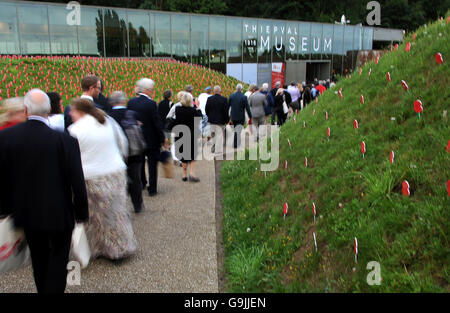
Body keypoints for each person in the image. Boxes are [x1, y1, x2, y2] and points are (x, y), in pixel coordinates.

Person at [0, 89, 88, 293]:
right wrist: (81, 213)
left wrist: (5, 210)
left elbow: (2, 180)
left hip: (26, 211)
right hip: (60, 212)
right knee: (59, 258)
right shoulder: (65, 141)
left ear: (25, 109)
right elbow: (77, 181)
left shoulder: (5, 138)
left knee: (38, 258)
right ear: (49, 110)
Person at [68, 98, 137, 260]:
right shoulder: (107, 121)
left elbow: (72, 158)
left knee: (94, 216)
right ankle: (120, 246)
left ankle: (98, 248)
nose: (70, 113)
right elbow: (122, 142)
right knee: (116, 212)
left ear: (80, 111)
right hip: (115, 172)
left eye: (72, 110)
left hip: (91, 177)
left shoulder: (75, 129)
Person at [128, 78, 166, 196]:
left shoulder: (131, 102)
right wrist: (162, 138)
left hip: (137, 138)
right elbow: (156, 123)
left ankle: (142, 183)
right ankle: (152, 188)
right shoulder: (151, 104)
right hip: (151, 139)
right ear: (148, 90)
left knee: (139, 163)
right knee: (152, 164)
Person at [108, 91, 144, 214]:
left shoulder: (108, 116)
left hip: (116, 153)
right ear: (124, 101)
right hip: (134, 152)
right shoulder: (133, 114)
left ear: (111, 103)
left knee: (118, 180)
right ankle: (137, 204)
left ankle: (121, 207)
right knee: (136, 178)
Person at [173, 92, 203, 182]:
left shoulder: (177, 109)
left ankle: (184, 175)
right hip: (191, 135)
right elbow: (200, 118)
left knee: (183, 156)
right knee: (193, 155)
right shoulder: (193, 110)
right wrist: (197, 106)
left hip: (180, 134)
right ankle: (192, 173)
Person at [205, 85, 229, 155]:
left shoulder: (209, 99)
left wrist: (209, 116)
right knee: (219, 135)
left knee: (213, 135)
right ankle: (218, 150)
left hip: (212, 120)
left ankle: (213, 148)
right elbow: (226, 111)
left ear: (214, 91)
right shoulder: (224, 99)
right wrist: (226, 120)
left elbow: (207, 109)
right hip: (220, 121)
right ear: (220, 91)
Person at [229, 84, 252, 149]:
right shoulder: (244, 97)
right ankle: (235, 144)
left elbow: (228, 106)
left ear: (236, 89)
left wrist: (228, 117)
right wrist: (250, 117)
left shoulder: (231, 96)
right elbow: (247, 108)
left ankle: (237, 142)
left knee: (237, 129)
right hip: (241, 116)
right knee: (238, 130)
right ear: (241, 89)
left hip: (233, 116)